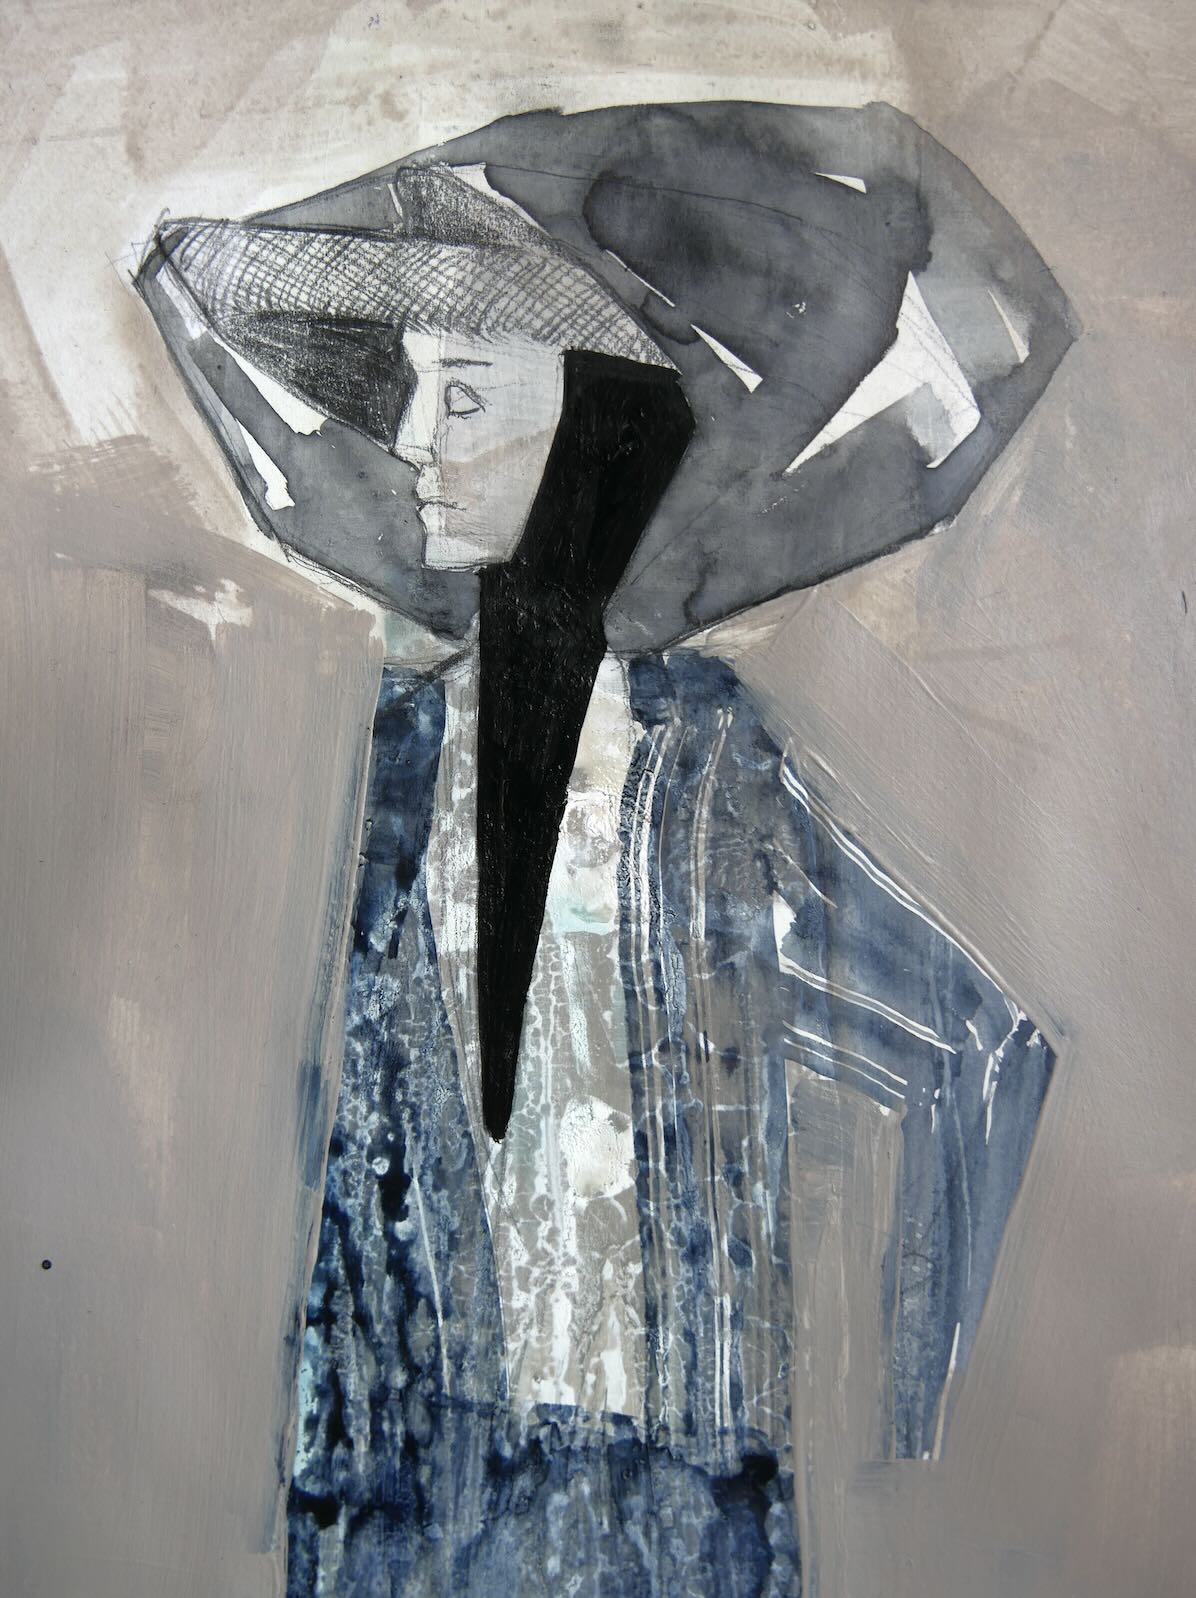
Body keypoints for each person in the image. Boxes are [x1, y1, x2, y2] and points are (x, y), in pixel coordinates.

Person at [136, 102, 1075, 1598]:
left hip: (674, 1492)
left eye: (461, 395)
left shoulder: (703, 766)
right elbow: (193, 299)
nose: (412, 441)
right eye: (415, 397)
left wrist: (911, 1412)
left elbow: (979, 1046)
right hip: (411, 1488)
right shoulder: (405, 759)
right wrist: (431, 194)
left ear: (589, 424)